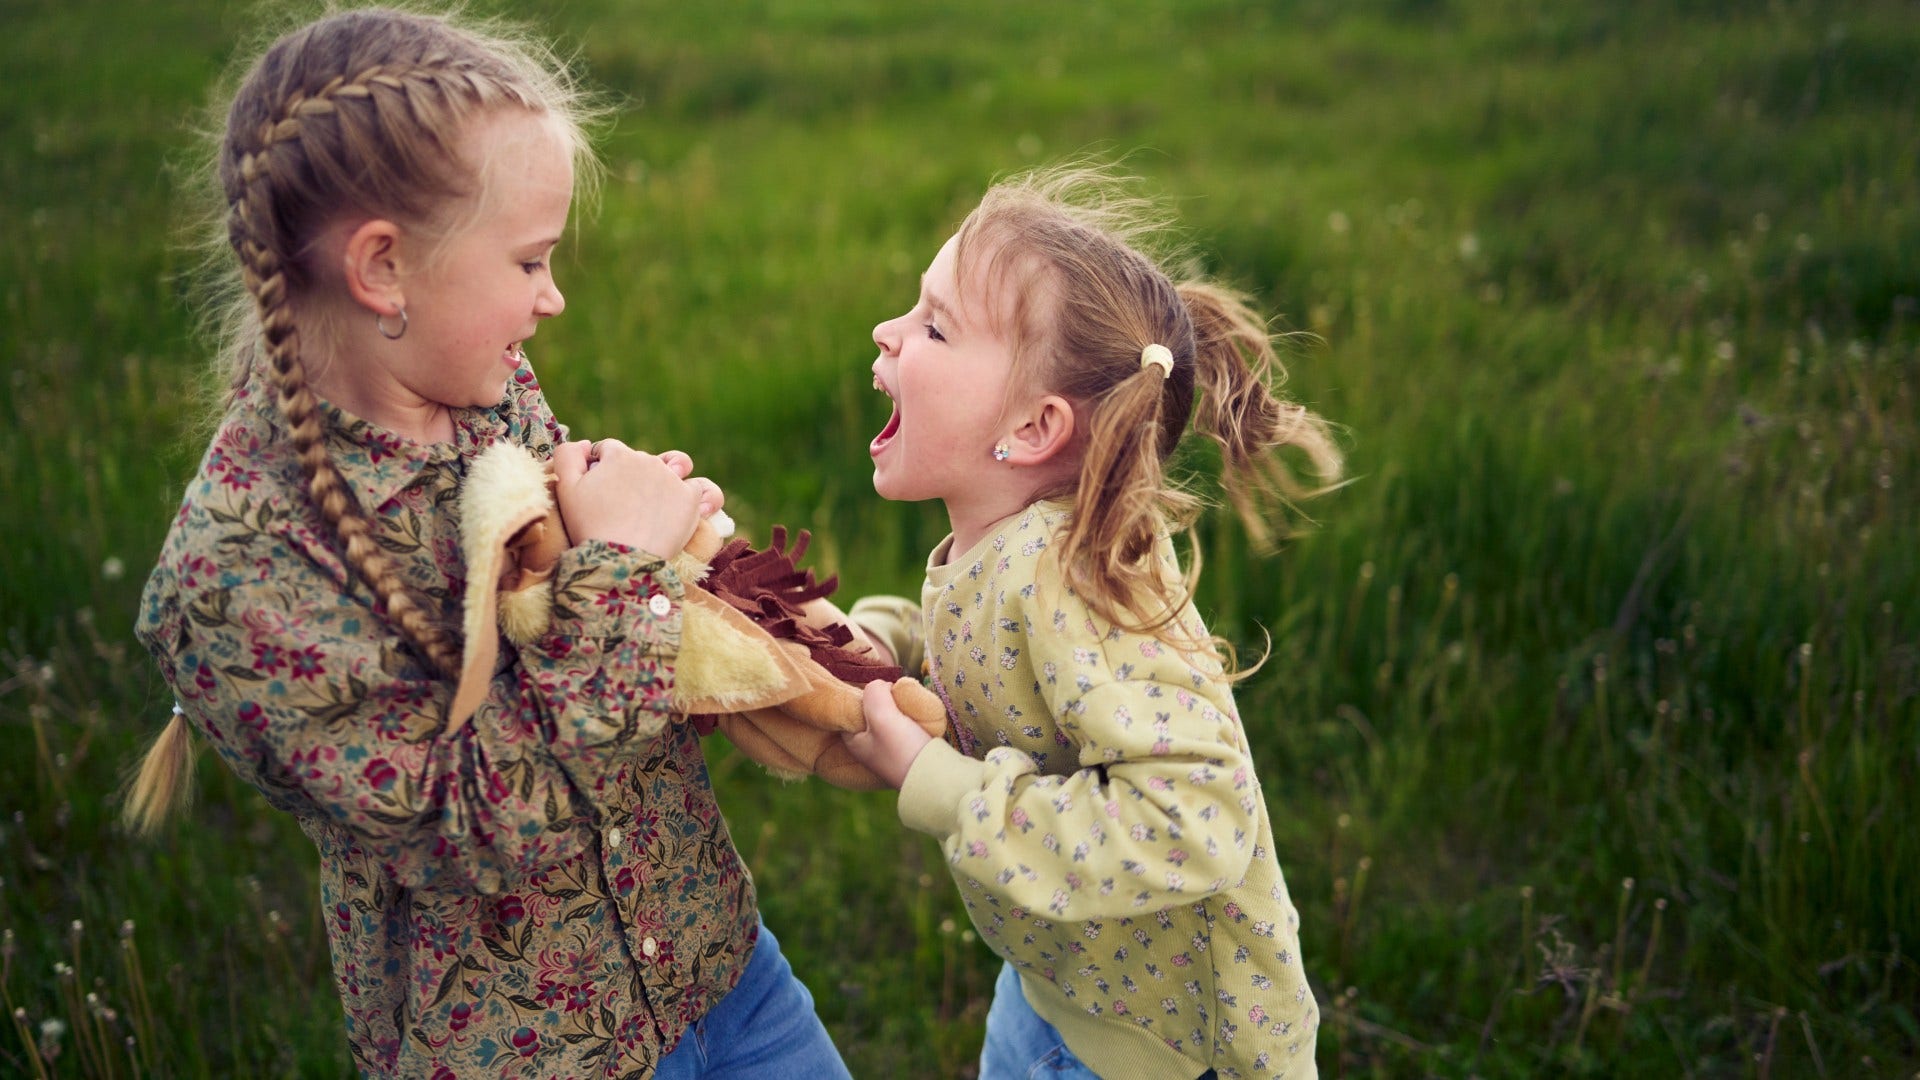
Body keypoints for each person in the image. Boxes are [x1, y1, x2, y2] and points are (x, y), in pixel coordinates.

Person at [122, 9, 849, 1078]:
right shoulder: (237, 575)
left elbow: (561, 591)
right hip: (529, 1050)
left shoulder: (484, 386)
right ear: (384, 269)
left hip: (719, 969)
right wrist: (625, 575)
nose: (552, 299)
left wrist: (681, 571)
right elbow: (475, 830)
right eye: (529, 260)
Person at [840, 165, 1344, 1079]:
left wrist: (942, 784)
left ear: (1033, 429)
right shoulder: (1006, 550)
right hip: (1061, 985)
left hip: (1154, 1052)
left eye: (935, 325)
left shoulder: (1071, 581)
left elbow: (1199, 814)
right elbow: (992, 652)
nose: (889, 331)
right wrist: (889, 641)